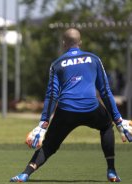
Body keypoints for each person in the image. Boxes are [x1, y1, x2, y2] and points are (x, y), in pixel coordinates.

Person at [10, 28, 132, 182]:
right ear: (80, 43)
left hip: (66, 110)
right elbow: (105, 91)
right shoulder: (94, 59)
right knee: (107, 126)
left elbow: (52, 95)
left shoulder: (57, 64)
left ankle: (25, 174)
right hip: (91, 107)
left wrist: (43, 124)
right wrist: (118, 120)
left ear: (63, 43)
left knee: (49, 145)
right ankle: (112, 171)